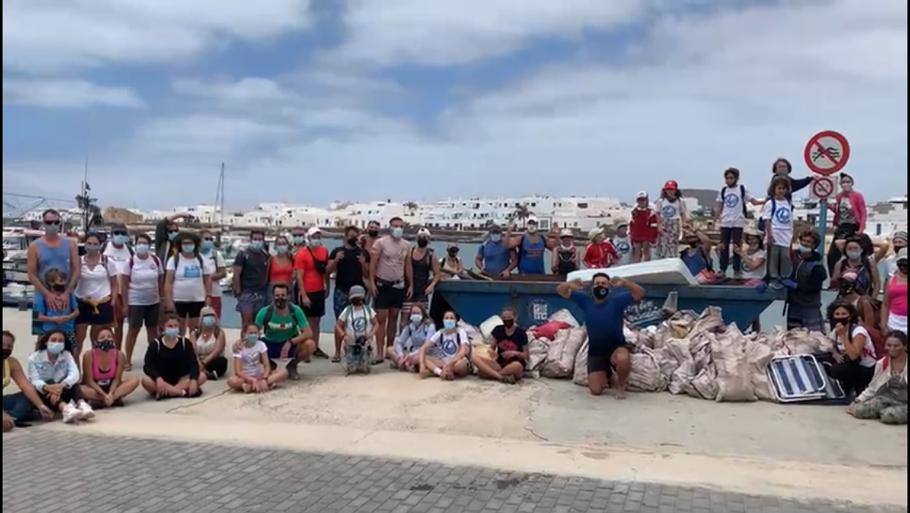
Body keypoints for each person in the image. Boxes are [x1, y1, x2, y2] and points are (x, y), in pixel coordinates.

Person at [557, 273, 646, 398]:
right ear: (592, 287)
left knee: (622, 358)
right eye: (597, 284)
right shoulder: (585, 301)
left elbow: (640, 292)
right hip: (596, 351)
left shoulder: (617, 301)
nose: (600, 286)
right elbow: (560, 290)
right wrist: (570, 284)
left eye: (603, 283)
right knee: (596, 390)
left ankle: (621, 386)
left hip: (616, 347)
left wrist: (625, 282)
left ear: (609, 287)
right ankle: (608, 374)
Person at [27, 330, 93, 423]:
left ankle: (82, 404)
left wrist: (61, 385)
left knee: (73, 382)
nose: (57, 343)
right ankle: (65, 409)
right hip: (43, 393)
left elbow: (75, 373)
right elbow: (34, 380)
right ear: (46, 342)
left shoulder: (67, 355)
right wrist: (48, 387)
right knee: (49, 382)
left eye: (60, 341)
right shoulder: (34, 358)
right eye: (53, 340)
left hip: (62, 389)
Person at [369, 217, 410, 362]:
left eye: (400, 226)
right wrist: (372, 283)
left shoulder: (407, 245)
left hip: (399, 285)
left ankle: (389, 349)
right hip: (382, 284)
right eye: (395, 226)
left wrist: (410, 284)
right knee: (381, 319)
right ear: (390, 227)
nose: (398, 228)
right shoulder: (380, 243)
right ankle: (379, 352)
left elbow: (407, 266)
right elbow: (373, 264)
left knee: (394, 317)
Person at [255, 284, 317, 380]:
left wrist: (291, 342)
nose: (280, 298)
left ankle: (292, 365)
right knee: (253, 348)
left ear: (288, 296)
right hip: (270, 343)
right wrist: (242, 343)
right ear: (272, 296)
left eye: (283, 295)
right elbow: (253, 331)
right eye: (277, 295)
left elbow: (308, 333)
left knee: (310, 344)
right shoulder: (264, 312)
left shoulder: (296, 311)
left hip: (290, 344)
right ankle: (270, 366)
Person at [327, 226, 371, 363]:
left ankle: (358, 350)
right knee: (340, 322)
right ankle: (337, 352)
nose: (353, 238)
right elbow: (327, 271)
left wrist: (363, 263)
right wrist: (336, 261)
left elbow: (367, 274)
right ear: (345, 237)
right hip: (341, 290)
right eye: (350, 235)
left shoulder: (363, 253)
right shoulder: (337, 251)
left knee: (360, 321)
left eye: (355, 236)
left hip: (358, 291)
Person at [74, 233, 118, 363]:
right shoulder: (78, 261)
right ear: (84, 244)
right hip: (82, 302)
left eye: (95, 244)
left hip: (102, 303)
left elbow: (115, 283)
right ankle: (76, 371)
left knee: (97, 339)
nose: (92, 246)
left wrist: (114, 300)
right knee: (78, 340)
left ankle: (95, 370)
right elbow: (72, 281)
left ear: (100, 246)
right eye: (89, 243)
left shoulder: (107, 261)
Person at [27, 209, 80, 316]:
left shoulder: (71, 244)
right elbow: (31, 274)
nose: (53, 225)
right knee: (42, 331)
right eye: (49, 223)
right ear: (43, 223)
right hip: (41, 295)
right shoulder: (34, 246)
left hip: (66, 295)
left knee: (67, 330)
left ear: (59, 223)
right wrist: (47, 294)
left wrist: (67, 293)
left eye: (56, 222)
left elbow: (76, 270)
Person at [848, 331, 907, 425]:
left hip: (905, 402)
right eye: (889, 345)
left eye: (896, 346)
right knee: (859, 410)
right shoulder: (882, 363)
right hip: (886, 399)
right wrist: (858, 400)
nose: (892, 349)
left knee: (889, 416)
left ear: (905, 346)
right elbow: (873, 387)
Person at [123, 233, 163, 370]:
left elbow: (160, 280)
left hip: (153, 301)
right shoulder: (130, 261)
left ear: (149, 245)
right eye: (139, 243)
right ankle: (127, 360)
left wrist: (162, 298)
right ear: (135, 244)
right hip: (136, 301)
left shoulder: (155, 260)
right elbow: (124, 284)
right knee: (133, 330)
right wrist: (125, 303)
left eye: (144, 243)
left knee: (153, 331)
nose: (142, 245)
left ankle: (154, 359)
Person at [714, 168, 764, 278]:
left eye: (731, 178)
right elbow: (719, 207)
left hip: (738, 221)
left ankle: (736, 270)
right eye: (727, 178)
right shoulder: (723, 191)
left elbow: (753, 202)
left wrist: (766, 200)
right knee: (724, 246)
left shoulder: (742, 189)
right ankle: (722, 269)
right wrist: (716, 220)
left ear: (736, 178)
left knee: (737, 246)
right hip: (725, 221)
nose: (728, 180)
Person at [141, 314, 205, 399]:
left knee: (202, 376)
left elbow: (193, 363)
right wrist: (158, 378)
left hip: (181, 380)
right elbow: (148, 365)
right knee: (146, 381)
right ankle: (180, 392)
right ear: (163, 327)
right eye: (170, 326)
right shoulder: (156, 344)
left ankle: (168, 392)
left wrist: (193, 380)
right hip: (162, 380)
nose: (173, 328)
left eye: (175, 326)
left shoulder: (185, 343)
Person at [164, 232, 214, 335]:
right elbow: (168, 282)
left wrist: (208, 295)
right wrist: (168, 300)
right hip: (179, 300)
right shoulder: (174, 260)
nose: (187, 246)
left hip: (197, 300)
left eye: (190, 243)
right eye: (185, 243)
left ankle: (192, 349)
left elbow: (207, 278)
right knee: (179, 330)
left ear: (195, 244)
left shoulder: (201, 259)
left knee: (195, 330)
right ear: (181, 245)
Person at [3, 331, 54, 431]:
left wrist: (41, 406)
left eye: (9, 346)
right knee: (21, 413)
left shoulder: (11, 362)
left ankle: (12, 417)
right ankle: (12, 417)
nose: (6, 348)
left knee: (26, 397)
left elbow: (25, 386)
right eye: (3, 345)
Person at [824, 301, 876, 398]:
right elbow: (831, 344)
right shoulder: (836, 330)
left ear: (850, 316)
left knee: (837, 370)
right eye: (837, 314)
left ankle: (857, 387)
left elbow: (854, 355)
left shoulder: (858, 331)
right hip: (849, 363)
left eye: (844, 314)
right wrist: (835, 353)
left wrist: (843, 336)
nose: (840, 317)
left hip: (866, 367)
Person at [78, 327, 139, 408]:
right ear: (96, 341)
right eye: (102, 337)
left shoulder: (119, 355)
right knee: (78, 388)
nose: (106, 339)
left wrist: (110, 393)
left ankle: (110, 398)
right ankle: (106, 399)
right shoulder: (89, 355)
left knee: (134, 381)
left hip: (112, 386)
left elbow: (117, 379)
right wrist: (103, 394)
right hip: (95, 387)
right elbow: (89, 380)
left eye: (109, 337)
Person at [294, 227, 330, 359]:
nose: (317, 239)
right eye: (314, 237)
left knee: (317, 320)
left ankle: (315, 346)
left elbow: (325, 271)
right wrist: (303, 295)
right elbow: (299, 276)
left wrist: (327, 286)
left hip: (319, 290)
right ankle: (306, 347)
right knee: (306, 321)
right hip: (307, 291)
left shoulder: (324, 251)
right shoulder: (302, 254)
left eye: (319, 236)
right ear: (308, 238)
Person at [472, 307, 529, 384]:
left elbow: (526, 355)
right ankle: (501, 377)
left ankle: (492, 374)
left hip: (515, 363)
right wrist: (491, 353)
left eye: (509, 317)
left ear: (515, 318)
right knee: (474, 357)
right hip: (500, 363)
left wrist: (514, 353)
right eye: (504, 318)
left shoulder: (521, 333)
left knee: (517, 366)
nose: (506, 320)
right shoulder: (498, 330)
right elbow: (492, 348)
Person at [785, 229, 828, 332]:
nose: (805, 243)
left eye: (809, 242)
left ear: (814, 245)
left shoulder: (817, 264)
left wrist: (796, 286)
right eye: (803, 241)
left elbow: (815, 287)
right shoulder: (793, 257)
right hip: (794, 305)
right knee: (793, 337)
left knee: (814, 337)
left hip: (810, 307)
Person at [227, 324, 288, 393]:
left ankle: (253, 386)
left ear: (259, 334)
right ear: (244, 334)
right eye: (251, 333)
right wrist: (250, 379)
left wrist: (264, 378)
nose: (253, 335)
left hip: (259, 375)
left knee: (283, 372)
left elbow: (267, 365)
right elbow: (238, 371)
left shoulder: (261, 345)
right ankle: (258, 385)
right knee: (231, 381)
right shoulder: (239, 347)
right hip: (245, 377)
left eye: (255, 333)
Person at [827, 173, 868, 273]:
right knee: (832, 256)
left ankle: (855, 275)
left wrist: (861, 229)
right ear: (840, 184)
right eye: (843, 182)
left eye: (848, 182)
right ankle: (834, 278)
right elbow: (838, 211)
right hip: (841, 227)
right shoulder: (839, 196)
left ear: (852, 183)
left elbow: (863, 213)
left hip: (853, 227)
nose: (846, 184)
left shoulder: (857, 196)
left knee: (853, 254)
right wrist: (827, 205)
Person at [102, 224, 133, 351]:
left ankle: (117, 351)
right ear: (111, 235)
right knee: (105, 325)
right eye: (116, 233)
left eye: (122, 233)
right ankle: (104, 350)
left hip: (123, 293)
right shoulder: (104, 249)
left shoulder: (129, 250)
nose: (119, 235)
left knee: (119, 325)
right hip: (106, 293)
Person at [335, 286, 377, 375]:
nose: (358, 301)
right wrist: (343, 335)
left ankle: (365, 361)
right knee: (352, 369)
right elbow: (338, 325)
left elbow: (376, 324)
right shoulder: (347, 311)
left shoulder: (369, 310)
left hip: (365, 344)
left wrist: (371, 334)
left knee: (364, 369)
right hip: (351, 343)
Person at [233, 229, 270, 330]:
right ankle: (244, 344)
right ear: (251, 239)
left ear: (263, 240)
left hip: (261, 293)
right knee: (246, 323)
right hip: (246, 293)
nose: (257, 241)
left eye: (260, 239)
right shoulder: (243, 254)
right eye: (255, 239)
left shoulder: (266, 255)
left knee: (257, 323)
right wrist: (238, 292)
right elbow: (236, 274)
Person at [33, 269, 79, 349]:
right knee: (40, 351)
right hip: (48, 330)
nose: (64, 283)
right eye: (61, 280)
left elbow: (76, 312)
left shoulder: (69, 294)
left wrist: (68, 317)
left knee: (74, 352)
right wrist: (54, 319)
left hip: (67, 329)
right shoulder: (41, 296)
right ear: (51, 282)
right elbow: (38, 316)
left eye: (64, 280)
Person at [761, 176, 794, 289]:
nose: (781, 191)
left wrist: (791, 234)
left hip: (786, 234)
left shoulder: (788, 203)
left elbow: (790, 220)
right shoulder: (770, 203)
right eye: (779, 188)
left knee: (785, 257)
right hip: (775, 233)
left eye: (783, 188)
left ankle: (785, 277)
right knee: (774, 257)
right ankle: (774, 278)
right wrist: (769, 234)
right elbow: (767, 219)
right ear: (774, 189)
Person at [419, 311, 470, 380]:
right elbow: (423, 348)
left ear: (455, 321)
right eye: (447, 318)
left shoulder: (460, 332)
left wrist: (450, 364)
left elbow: (463, 351)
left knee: (461, 365)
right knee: (425, 358)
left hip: (456, 361)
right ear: (443, 321)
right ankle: (440, 373)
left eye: (451, 318)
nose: (449, 320)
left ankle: (439, 372)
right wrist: (422, 365)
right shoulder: (440, 332)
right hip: (444, 361)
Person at [404, 227, 441, 324]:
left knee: (421, 318)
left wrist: (431, 286)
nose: (422, 239)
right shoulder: (410, 252)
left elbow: (437, 274)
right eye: (420, 237)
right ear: (416, 238)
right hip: (408, 289)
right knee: (405, 317)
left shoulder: (431, 255)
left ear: (429, 240)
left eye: (425, 237)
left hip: (423, 290)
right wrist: (410, 285)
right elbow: (407, 268)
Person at [837, 272, 882, 351]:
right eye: (843, 281)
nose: (844, 284)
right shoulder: (840, 300)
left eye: (847, 282)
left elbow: (869, 326)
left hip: (860, 337)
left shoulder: (864, 302)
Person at [391, 304, 435, 372]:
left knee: (417, 358)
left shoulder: (429, 326)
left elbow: (427, 347)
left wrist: (411, 355)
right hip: (413, 352)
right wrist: (401, 355)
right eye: (413, 313)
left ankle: (406, 364)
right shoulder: (409, 325)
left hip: (426, 353)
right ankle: (405, 363)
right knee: (390, 350)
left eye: (418, 313)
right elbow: (399, 342)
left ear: (423, 314)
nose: (416, 315)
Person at [189, 306, 228, 380]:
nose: (209, 318)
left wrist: (204, 362)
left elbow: (217, 351)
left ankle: (199, 372)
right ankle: (205, 373)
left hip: (212, 360)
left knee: (222, 362)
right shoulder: (194, 334)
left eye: (211, 316)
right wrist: (198, 362)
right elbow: (193, 351)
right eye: (206, 316)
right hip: (198, 360)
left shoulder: (219, 332)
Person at [655, 181, 687, 260]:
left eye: (672, 189)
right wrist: (659, 225)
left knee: (673, 243)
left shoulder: (680, 201)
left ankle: (673, 257)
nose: (670, 191)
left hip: (674, 222)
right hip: (664, 222)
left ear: (676, 190)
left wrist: (684, 225)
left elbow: (683, 213)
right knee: (662, 243)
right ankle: (662, 258)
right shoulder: (661, 201)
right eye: (668, 189)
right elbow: (657, 213)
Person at [200, 230, 227, 318]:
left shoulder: (216, 254)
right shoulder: (195, 255)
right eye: (206, 239)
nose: (209, 241)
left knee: (214, 319)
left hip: (214, 294)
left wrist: (210, 277)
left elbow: (223, 273)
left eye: (211, 239)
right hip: (198, 295)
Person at [881, 248, 908, 335]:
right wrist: (883, 325)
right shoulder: (891, 280)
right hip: (893, 321)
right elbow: (885, 304)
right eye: (901, 263)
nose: (903, 266)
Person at [629, 192, 658, 263]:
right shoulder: (634, 211)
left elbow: (654, 225)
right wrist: (631, 234)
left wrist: (653, 236)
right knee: (637, 251)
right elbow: (631, 223)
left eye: (643, 200)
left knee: (646, 249)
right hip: (636, 235)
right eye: (639, 200)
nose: (641, 202)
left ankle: (647, 265)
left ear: (647, 200)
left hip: (647, 235)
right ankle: (636, 266)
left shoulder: (651, 212)